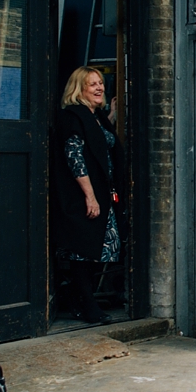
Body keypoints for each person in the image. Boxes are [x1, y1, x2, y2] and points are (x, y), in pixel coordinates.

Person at [51, 67, 122, 324]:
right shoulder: (72, 117)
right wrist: (90, 197)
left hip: (103, 195)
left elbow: (100, 142)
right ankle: (87, 304)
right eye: (92, 84)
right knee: (83, 251)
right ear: (78, 89)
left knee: (102, 249)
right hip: (82, 197)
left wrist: (112, 116)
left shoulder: (97, 117)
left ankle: (79, 297)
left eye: (101, 83)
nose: (99, 88)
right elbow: (75, 158)